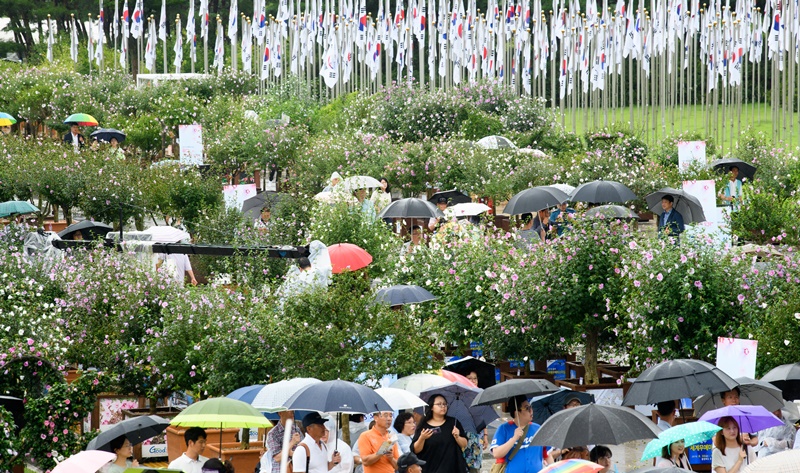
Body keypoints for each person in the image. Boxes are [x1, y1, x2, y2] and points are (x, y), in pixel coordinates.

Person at [412, 395, 468, 473]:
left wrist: (457, 437)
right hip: (430, 468)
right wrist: (422, 438)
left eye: (444, 404)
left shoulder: (453, 422)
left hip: (452, 468)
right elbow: (415, 450)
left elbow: (464, 444)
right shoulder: (424, 425)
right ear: (431, 407)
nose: (443, 406)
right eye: (439, 404)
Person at [490, 395, 544, 473]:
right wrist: (514, 438)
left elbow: (547, 455)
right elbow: (496, 453)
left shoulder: (538, 428)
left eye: (531, 407)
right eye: (527, 408)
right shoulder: (504, 429)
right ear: (517, 413)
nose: (531, 411)